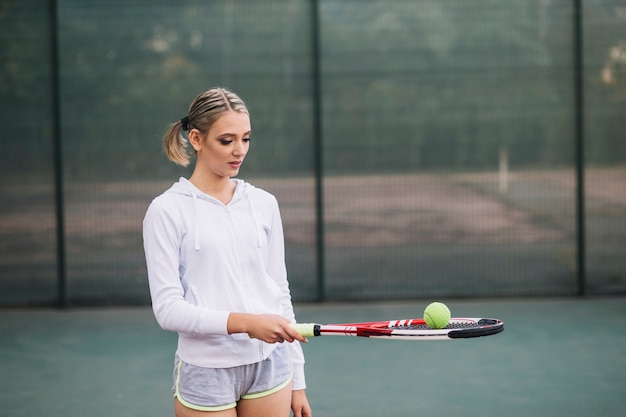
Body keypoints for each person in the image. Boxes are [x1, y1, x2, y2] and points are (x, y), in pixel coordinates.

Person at [143, 87, 312, 417]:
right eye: (227, 140)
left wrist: (298, 380)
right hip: (206, 370)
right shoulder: (165, 211)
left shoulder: (264, 203)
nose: (239, 151)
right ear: (196, 139)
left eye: (246, 139)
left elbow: (279, 291)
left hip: (271, 368)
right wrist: (247, 323)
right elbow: (167, 310)